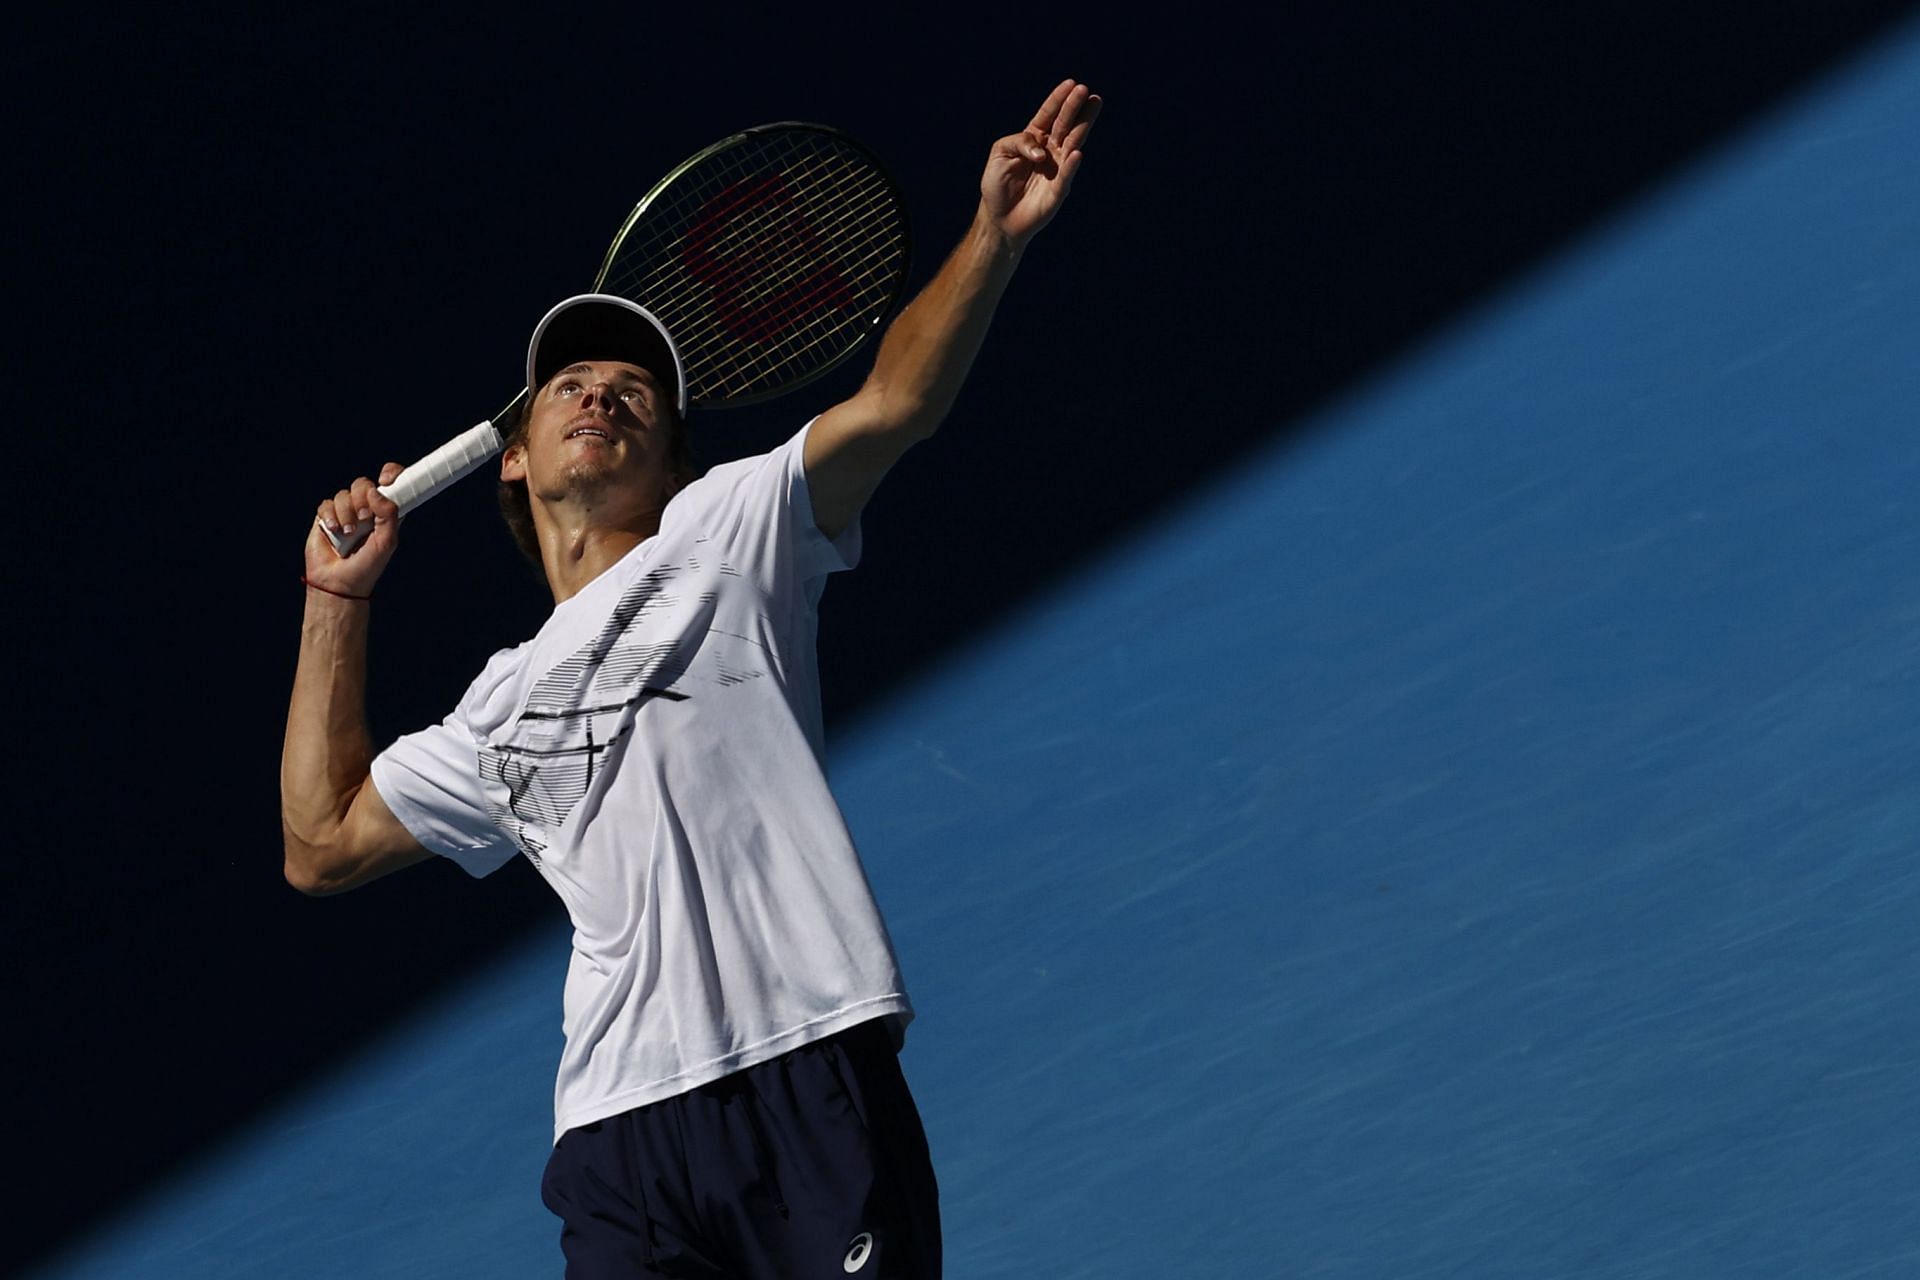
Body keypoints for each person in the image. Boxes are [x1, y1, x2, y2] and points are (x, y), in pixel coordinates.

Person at [282, 79, 1100, 1279]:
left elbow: (898, 402)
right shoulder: (496, 708)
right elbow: (321, 840)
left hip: (805, 1071)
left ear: (671, 456)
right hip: (620, 1133)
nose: (600, 391)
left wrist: (991, 239)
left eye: (633, 390)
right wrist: (334, 600)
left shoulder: (729, 531)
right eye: (568, 384)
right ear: (514, 461)